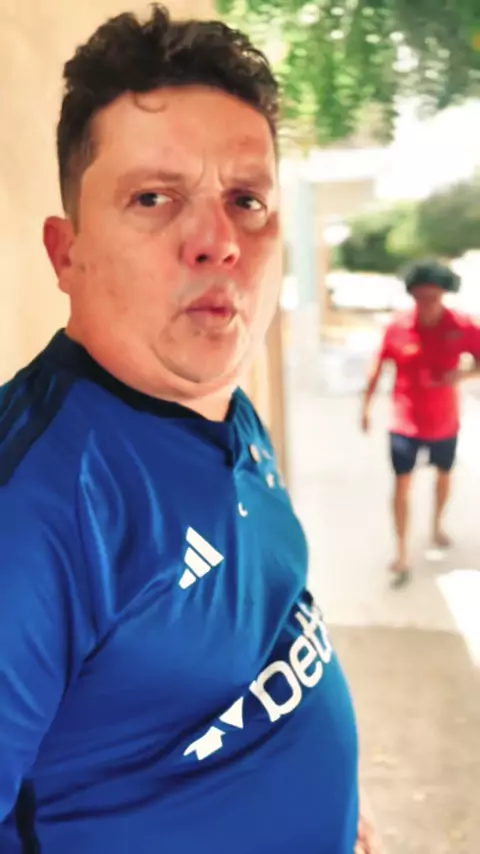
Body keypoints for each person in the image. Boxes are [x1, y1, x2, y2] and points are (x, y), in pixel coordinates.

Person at [0, 6, 380, 853]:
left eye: (248, 200)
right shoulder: (37, 508)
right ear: (66, 254)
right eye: (153, 198)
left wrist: (333, 798)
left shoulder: (225, 409)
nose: (219, 242)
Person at [361, 260, 480, 585]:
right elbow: (377, 367)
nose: (427, 304)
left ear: (444, 295)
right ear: (412, 296)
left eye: (434, 297)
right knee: (402, 482)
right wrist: (366, 406)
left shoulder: (463, 326)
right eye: (420, 297)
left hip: (444, 422)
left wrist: (463, 374)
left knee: (444, 475)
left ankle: (437, 525)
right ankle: (401, 551)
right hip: (404, 422)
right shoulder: (398, 327)